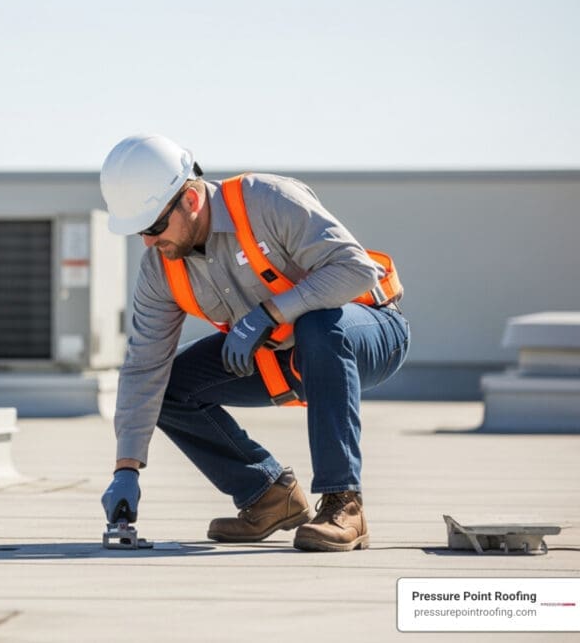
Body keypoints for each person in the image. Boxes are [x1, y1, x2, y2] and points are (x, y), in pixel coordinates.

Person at [98, 133, 410, 551]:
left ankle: (343, 503)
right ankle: (268, 495)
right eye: (140, 231)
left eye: (154, 225)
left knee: (318, 327)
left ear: (190, 201)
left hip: (366, 333)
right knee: (168, 389)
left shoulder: (267, 200)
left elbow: (356, 271)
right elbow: (143, 367)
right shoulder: (160, 267)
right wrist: (126, 469)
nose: (150, 242)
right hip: (280, 354)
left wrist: (270, 313)